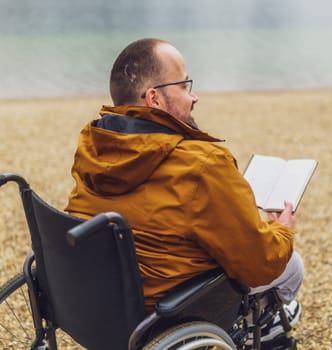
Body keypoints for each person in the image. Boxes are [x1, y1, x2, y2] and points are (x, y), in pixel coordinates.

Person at [65, 38, 304, 340]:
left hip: (98, 300)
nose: (195, 97)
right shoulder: (201, 164)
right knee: (292, 265)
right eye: (185, 86)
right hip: (164, 308)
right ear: (154, 98)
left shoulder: (93, 146)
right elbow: (260, 264)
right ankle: (268, 326)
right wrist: (282, 230)